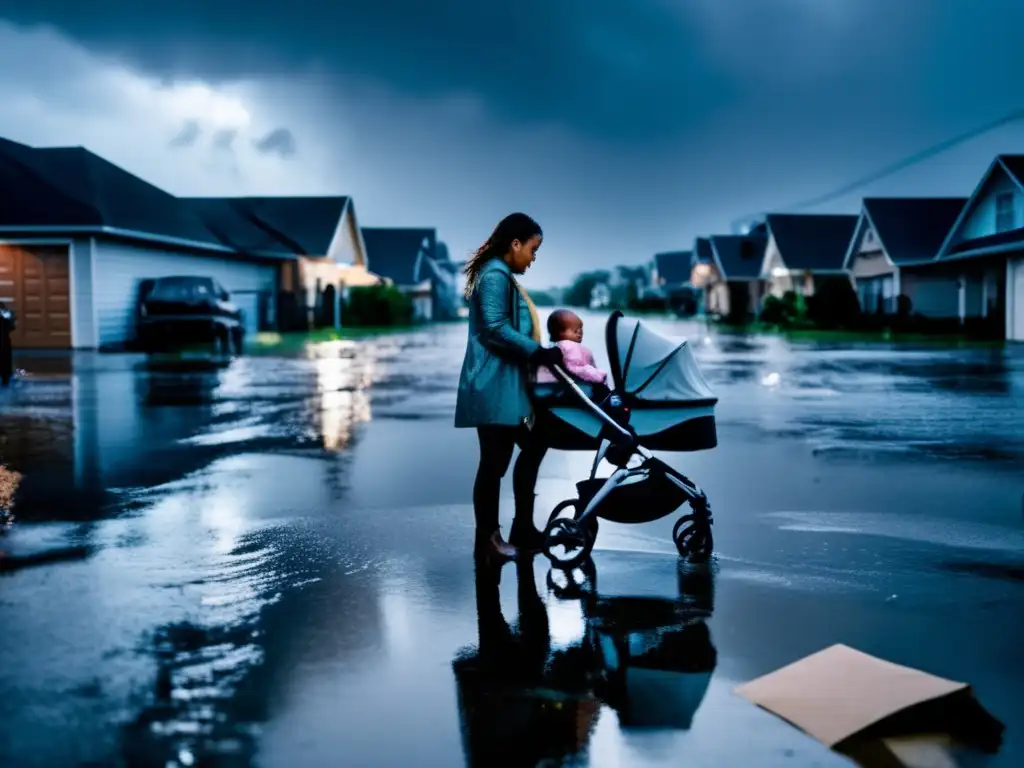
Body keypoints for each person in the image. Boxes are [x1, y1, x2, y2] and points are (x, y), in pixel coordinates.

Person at [455, 213, 563, 560]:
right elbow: (494, 328)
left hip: (509, 387)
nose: (533, 258)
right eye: (533, 249)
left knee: (535, 441)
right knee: (494, 462)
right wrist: (539, 352)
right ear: (514, 244)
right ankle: (488, 538)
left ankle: (523, 527)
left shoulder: (499, 275)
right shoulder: (494, 275)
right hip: (493, 385)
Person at [534, 309, 609, 387]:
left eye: (580, 328)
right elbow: (575, 368)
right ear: (560, 332)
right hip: (581, 388)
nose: (580, 332)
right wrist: (599, 375)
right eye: (575, 330)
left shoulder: (554, 348)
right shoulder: (569, 347)